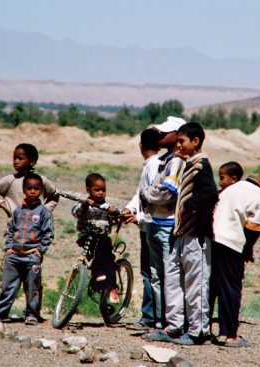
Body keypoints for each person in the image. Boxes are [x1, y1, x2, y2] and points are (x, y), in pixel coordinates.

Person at [211, 164, 260, 347]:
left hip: (212, 239)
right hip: (232, 244)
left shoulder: (234, 187)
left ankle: (202, 330)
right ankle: (229, 335)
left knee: (211, 287)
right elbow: (253, 229)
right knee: (231, 289)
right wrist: (247, 250)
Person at [165, 122, 219, 345]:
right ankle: (175, 326)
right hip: (182, 233)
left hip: (196, 234)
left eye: (182, 141)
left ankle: (198, 331)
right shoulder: (189, 164)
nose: (178, 145)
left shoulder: (201, 165)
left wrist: (189, 205)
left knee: (197, 284)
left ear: (196, 142)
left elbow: (211, 193)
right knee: (175, 281)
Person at [140, 116, 186, 337]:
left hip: (167, 225)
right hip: (155, 222)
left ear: (177, 136)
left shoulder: (176, 161)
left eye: (164, 132)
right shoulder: (165, 159)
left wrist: (146, 194)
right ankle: (161, 321)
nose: (159, 135)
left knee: (169, 274)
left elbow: (167, 193)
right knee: (158, 275)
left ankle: (171, 323)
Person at [0, 172, 54, 326]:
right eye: (29, 188)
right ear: (24, 190)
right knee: (7, 286)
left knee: (33, 287)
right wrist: (9, 248)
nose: (33, 191)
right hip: (14, 255)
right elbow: (11, 229)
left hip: (32, 256)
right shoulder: (18, 210)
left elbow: (48, 233)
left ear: (41, 191)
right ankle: (0, 313)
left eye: (37, 189)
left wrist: (40, 250)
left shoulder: (44, 211)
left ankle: (32, 314)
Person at [121, 129, 161, 330]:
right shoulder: (151, 164)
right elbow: (140, 193)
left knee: (150, 273)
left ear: (140, 146)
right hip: (146, 225)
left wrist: (138, 216)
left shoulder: (153, 165)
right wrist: (130, 208)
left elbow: (154, 196)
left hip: (151, 226)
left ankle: (150, 317)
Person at [72, 173, 120, 303]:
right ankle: (98, 274)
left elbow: (115, 218)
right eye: (97, 190)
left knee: (110, 261)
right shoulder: (84, 204)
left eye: (103, 190)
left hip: (102, 238)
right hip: (86, 237)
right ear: (88, 190)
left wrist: (115, 213)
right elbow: (75, 212)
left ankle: (111, 288)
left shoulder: (106, 206)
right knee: (97, 249)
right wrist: (85, 204)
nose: (101, 193)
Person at [0, 143, 59, 220]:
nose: (16, 161)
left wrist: (45, 210)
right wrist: (5, 207)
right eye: (14, 158)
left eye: (20, 158)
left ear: (32, 161)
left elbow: (55, 196)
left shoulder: (41, 180)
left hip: (37, 228)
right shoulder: (10, 180)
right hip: (15, 228)